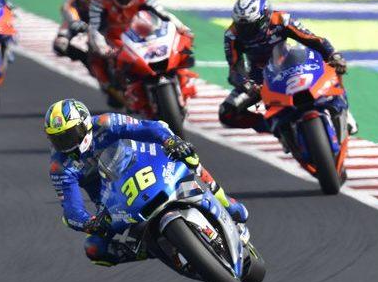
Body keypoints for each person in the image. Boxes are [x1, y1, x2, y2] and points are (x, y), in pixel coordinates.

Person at [45, 99, 248, 267]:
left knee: (189, 158)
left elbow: (149, 127)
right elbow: (71, 209)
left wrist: (170, 141)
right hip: (111, 200)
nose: (66, 144)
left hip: (143, 164)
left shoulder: (106, 123)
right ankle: (150, 249)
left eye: (70, 135)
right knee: (94, 249)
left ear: (85, 125)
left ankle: (225, 202)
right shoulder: (59, 166)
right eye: (58, 139)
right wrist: (89, 222)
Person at [219, 0, 355, 134]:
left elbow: (312, 39)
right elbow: (234, 69)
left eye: (251, 26)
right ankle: (272, 125)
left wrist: (333, 54)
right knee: (226, 112)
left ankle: (344, 110)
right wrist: (246, 84)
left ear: (265, 17)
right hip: (259, 80)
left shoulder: (281, 19)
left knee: (334, 65)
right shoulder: (232, 35)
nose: (245, 31)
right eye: (241, 26)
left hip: (290, 65)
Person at [87, 0, 192, 107]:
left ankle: (183, 82)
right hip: (114, 37)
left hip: (139, 30)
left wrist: (182, 28)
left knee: (177, 50)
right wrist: (102, 48)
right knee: (96, 56)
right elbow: (95, 26)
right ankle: (114, 88)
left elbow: (163, 14)